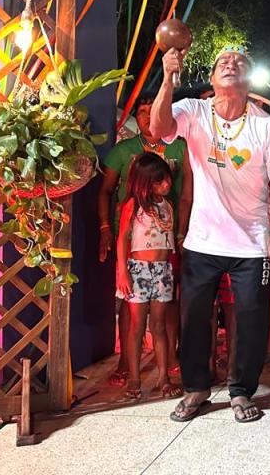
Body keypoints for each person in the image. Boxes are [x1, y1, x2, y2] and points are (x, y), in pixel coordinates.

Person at [153, 44, 270, 423]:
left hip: (252, 240)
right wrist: (168, 78)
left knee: (251, 318)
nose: (230, 65)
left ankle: (240, 390)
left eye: (240, 63)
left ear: (249, 80)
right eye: (222, 62)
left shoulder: (268, 126)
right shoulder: (194, 111)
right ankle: (197, 387)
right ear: (212, 78)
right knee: (194, 317)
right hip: (203, 239)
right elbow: (158, 128)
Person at [98, 93, 188, 387]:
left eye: (155, 111)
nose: (149, 117)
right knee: (132, 312)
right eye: (143, 111)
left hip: (166, 248)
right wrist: (104, 229)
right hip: (135, 255)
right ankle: (129, 367)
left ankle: (169, 363)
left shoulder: (179, 146)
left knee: (166, 311)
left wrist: (182, 235)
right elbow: (106, 191)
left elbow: (187, 191)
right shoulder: (124, 151)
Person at [115, 153, 183, 400]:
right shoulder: (133, 206)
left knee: (159, 326)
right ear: (145, 182)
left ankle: (164, 379)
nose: (167, 184)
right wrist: (123, 271)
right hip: (138, 269)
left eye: (167, 179)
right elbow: (122, 238)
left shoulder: (167, 206)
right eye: (160, 181)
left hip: (163, 270)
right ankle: (134, 379)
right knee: (136, 326)